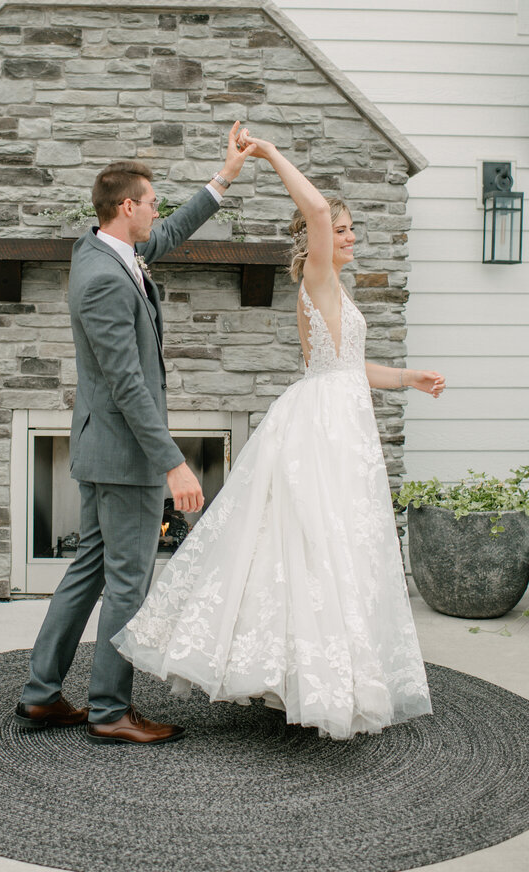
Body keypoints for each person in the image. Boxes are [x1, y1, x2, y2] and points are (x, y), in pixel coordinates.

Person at [113, 133, 445, 741]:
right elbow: (315, 210)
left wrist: (405, 378)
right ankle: (311, 679)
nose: (347, 237)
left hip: (339, 414)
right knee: (314, 542)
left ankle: (306, 673)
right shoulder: (318, 275)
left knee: (323, 547)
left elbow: (343, 365)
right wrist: (265, 155)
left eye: (349, 230)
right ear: (316, 239)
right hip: (322, 426)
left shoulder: (333, 291)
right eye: (341, 229)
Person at [15, 123, 253, 745]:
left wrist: (224, 176)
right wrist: (173, 462)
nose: (157, 212)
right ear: (128, 207)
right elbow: (127, 387)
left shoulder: (106, 250)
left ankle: (41, 695)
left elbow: (171, 232)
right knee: (128, 582)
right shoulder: (102, 278)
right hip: (124, 457)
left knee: (87, 572)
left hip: (106, 453)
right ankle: (111, 711)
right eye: (151, 202)